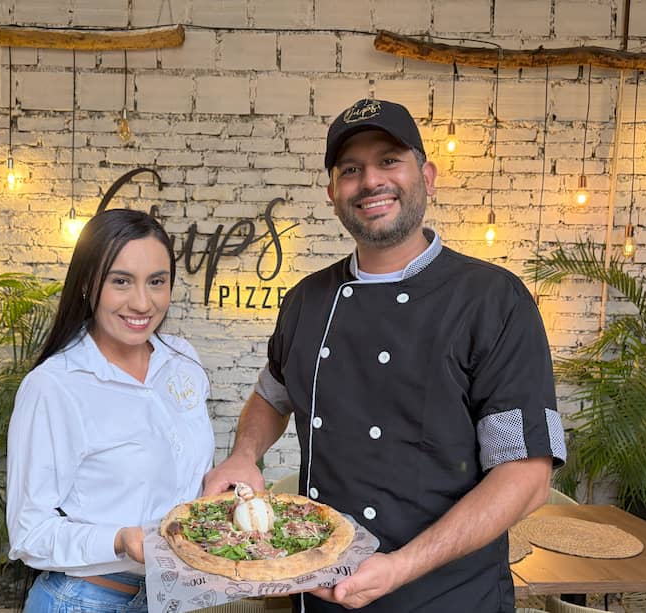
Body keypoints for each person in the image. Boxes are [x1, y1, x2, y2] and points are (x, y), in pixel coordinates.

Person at [204, 99, 567, 612]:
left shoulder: (493, 300)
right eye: (351, 170)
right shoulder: (307, 299)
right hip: (319, 590)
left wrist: (402, 566)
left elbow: (526, 477)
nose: (370, 181)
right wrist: (244, 456)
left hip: (446, 596)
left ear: (427, 174)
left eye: (389, 161)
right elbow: (272, 394)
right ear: (333, 193)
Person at [6, 208, 214, 613]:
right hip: (84, 600)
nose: (142, 303)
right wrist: (119, 539)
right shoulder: (55, 386)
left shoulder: (183, 360)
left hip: (171, 598)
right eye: (121, 281)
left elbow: (180, 474)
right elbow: (29, 534)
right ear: (88, 283)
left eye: (157, 282)